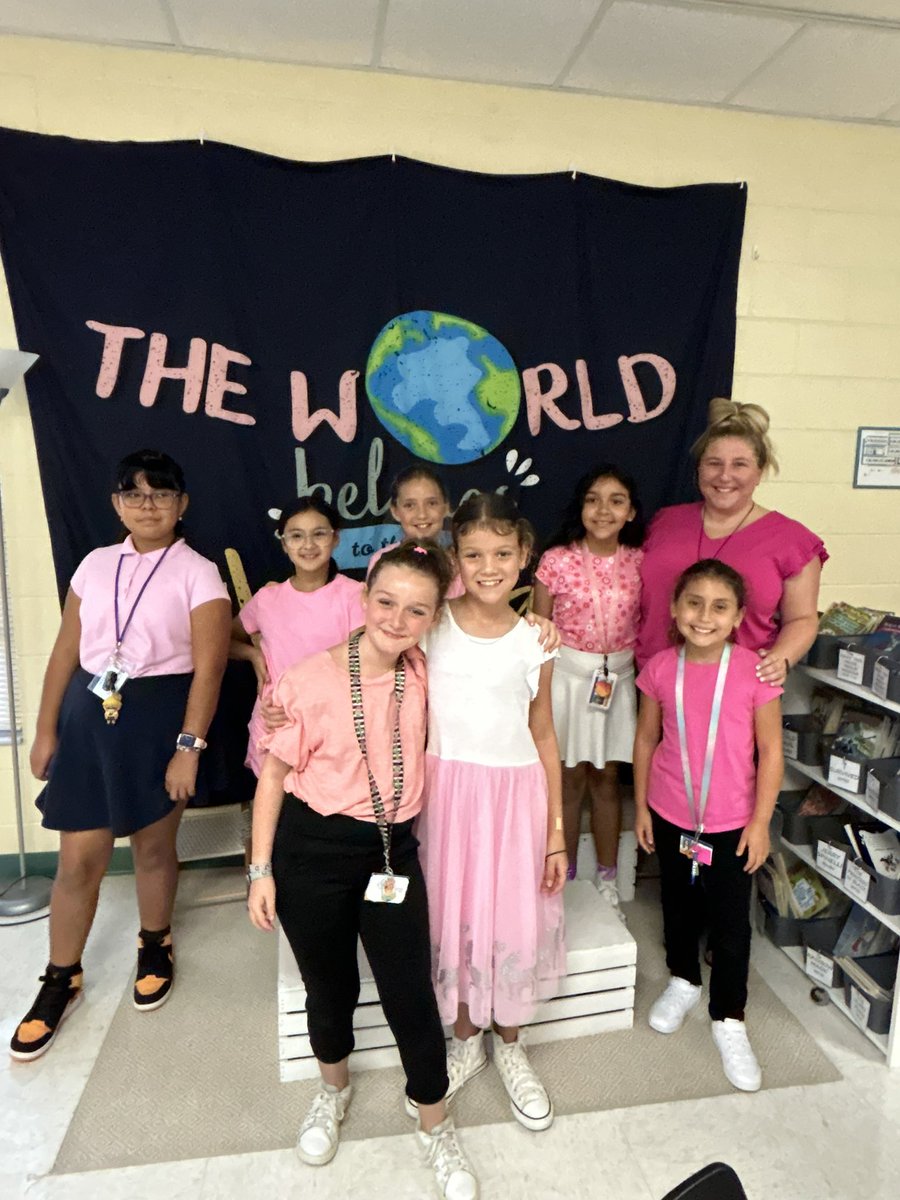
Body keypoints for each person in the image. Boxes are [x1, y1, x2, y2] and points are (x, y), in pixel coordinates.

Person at [247, 541, 478, 1200]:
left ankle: (433, 1120)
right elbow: (273, 777)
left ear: (434, 616)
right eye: (385, 601)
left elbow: (486, 611)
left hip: (391, 853)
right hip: (311, 852)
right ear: (363, 597)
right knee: (332, 987)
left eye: (416, 609)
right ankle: (332, 1091)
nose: (397, 619)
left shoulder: (426, 669)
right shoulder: (308, 679)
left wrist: (543, 624)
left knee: (410, 993)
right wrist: (260, 869)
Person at [10, 450, 231, 1062]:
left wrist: (188, 748)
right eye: (133, 495)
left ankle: (155, 942)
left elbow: (210, 671)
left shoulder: (198, 572)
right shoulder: (93, 564)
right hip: (90, 714)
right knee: (79, 859)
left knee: (154, 847)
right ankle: (61, 979)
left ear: (181, 504)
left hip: (159, 720)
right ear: (116, 504)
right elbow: (64, 652)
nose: (147, 505)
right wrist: (46, 729)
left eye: (161, 494)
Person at [415, 492, 567, 1133]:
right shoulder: (429, 625)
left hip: (516, 800)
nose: (488, 566)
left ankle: (510, 1043)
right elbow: (356, 667)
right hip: (447, 796)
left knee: (509, 911)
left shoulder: (537, 638)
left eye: (502, 553)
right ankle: (464, 1036)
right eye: (473, 553)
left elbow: (544, 733)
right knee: (455, 911)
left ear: (524, 556)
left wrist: (557, 831)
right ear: (455, 558)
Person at [633, 559, 783, 1092]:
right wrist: (642, 808)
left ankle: (729, 1016)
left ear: (738, 616)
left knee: (729, 921)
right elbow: (647, 740)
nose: (704, 616)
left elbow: (770, 752)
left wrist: (761, 822)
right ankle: (683, 979)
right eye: (693, 603)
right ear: (675, 610)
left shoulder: (754, 671)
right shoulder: (657, 668)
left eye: (720, 607)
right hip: (673, 814)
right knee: (678, 903)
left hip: (731, 823)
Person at [635, 398, 828, 685]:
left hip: (736, 690)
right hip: (652, 683)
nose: (725, 476)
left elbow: (802, 619)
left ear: (759, 472)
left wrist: (779, 661)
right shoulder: (665, 522)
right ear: (699, 468)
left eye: (740, 465)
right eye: (714, 463)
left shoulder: (792, 541)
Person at [533, 464, 644, 909]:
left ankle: (607, 877)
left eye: (616, 500)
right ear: (581, 508)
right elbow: (539, 630)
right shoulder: (556, 560)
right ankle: (568, 872)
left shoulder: (642, 561)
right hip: (567, 676)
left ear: (631, 511)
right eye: (593, 499)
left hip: (618, 676)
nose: (603, 509)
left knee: (608, 776)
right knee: (568, 775)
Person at [229, 496, 364, 777]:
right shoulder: (267, 598)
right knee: (275, 812)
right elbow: (220, 641)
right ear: (284, 543)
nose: (308, 545)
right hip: (276, 721)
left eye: (319, 534)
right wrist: (252, 654)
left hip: (333, 725)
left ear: (335, 538)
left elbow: (360, 661)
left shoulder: (354, 595)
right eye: (297, 536)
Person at [367, 463, 464, 598]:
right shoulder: (381, 560)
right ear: (395, 511)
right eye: (409, 505)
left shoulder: (462, 563)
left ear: (446, 507)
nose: (422, 515)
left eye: (432, 503)